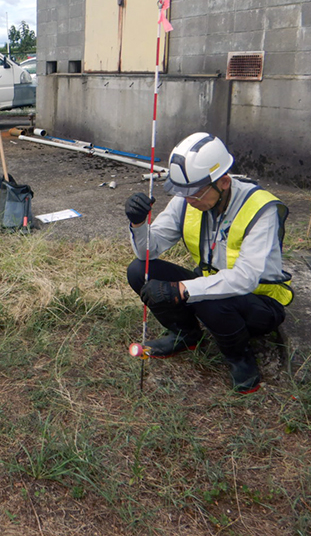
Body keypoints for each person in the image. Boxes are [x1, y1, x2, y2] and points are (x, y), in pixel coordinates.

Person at [125, 132, 292, 394]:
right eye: (181, 191)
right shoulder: (188, 199)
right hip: (213, 288)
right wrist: (138, 223)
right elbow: (149, 251)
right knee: (139, 271)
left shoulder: (262, 209)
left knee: (206, 295)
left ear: (223, 182)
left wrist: (183, 289)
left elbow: (245, 278)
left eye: (193, 192)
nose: (186, 198)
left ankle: (240, 357)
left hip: (259, 303)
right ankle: (186, 335)